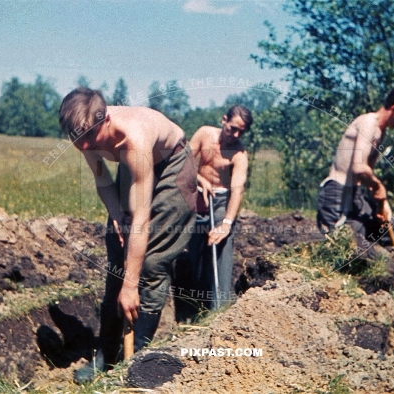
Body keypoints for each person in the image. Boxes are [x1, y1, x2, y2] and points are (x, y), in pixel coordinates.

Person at [58, 87, 197, 382]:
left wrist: (131, 287)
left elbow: (142, 220)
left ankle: (135, 363)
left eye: (89, 139)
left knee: (150, 263)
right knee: (117, 255)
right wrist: (116, 215)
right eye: (76, 140)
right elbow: (103, 181)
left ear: (106, 121)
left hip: (172, 165)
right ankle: (106, 356)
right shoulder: (85, 133)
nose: (84, 147)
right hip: (134, 167)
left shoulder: (134, 138)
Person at [317, 87, 394, 256]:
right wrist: (379, 186)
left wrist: (382, 204)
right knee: (351, 246)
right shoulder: (368, 123)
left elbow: (367, 172)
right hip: (337, 195)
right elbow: (358, 168)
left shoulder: (380, 131)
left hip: (355, 195)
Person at [181, 105, 252, 312]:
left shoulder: (240, 153)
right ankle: (197, 307)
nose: (235, 135)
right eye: (233, 128)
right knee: (196, 256)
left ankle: (220, 311)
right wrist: (199, 178)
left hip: (221, 202)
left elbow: (237, 190)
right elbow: (183, 162)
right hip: (196, 199)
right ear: (224, 120)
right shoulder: (204, 134)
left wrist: (227, 224)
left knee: (220, 249)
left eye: (241, 131)